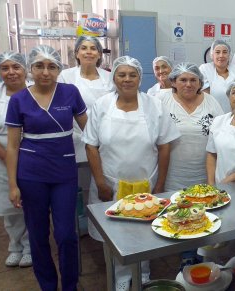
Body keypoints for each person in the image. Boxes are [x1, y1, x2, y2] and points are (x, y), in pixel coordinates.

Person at [82, 56, 180, 290]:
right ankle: (120, 276)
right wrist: (100, 181)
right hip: (110, 183)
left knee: (144, 231)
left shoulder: (154, 105)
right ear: (114, 77)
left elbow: (165, 145)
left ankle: (143, 273)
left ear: (139, 78)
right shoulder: (102, 105)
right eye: (121, 74)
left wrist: (160, 184)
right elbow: (91, 146)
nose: (127, 79)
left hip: (147, 182)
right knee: (116, 232)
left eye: (132, 75)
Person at [5, 45, 88, 291]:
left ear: (59, 69)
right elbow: (11, 147)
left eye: (52, 66)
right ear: (30, 68)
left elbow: (91, 130)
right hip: (31, 174)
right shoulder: (18, 99)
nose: (45, 72)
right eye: (39, 66)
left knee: (66, 235)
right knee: (38, 235)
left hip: (64, 172)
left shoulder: (70, 93)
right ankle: (48, 285)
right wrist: (12, 185)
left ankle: (70, 285)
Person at [0, 52, 31, 268]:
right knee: (10, 206)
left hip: (33, 158)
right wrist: (8, 157)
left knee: (32, 204)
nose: (11, 72)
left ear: (25, 69)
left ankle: (31, 247)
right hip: (0, 158)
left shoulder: (36, 91)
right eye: (5, 68)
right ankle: (15, 246)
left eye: (16, 67)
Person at [161, 62, 223, 191]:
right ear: (173, 82)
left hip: (204, 178)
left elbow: (221, 137)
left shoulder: (211, 102)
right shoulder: (161, 101)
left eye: (193, 80)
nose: (188, 84)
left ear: (200, 83)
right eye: (183, 80)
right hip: (170, 179)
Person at [58, 35, 113, 162]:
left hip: (105, 138)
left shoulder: (109, 77)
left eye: (93, 48)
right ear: (77, 53)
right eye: (83, 48)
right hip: (76, 139)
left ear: (99, 54)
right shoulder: (65, 77)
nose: (88, 52)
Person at [199, 40, 235, 113]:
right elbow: (205, 97)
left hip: (234, 116)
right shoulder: (205, 69)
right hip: (211, 115)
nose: (221, 55)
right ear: (212, 55)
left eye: (225, 52)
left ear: (229, 55)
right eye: (217, 52)